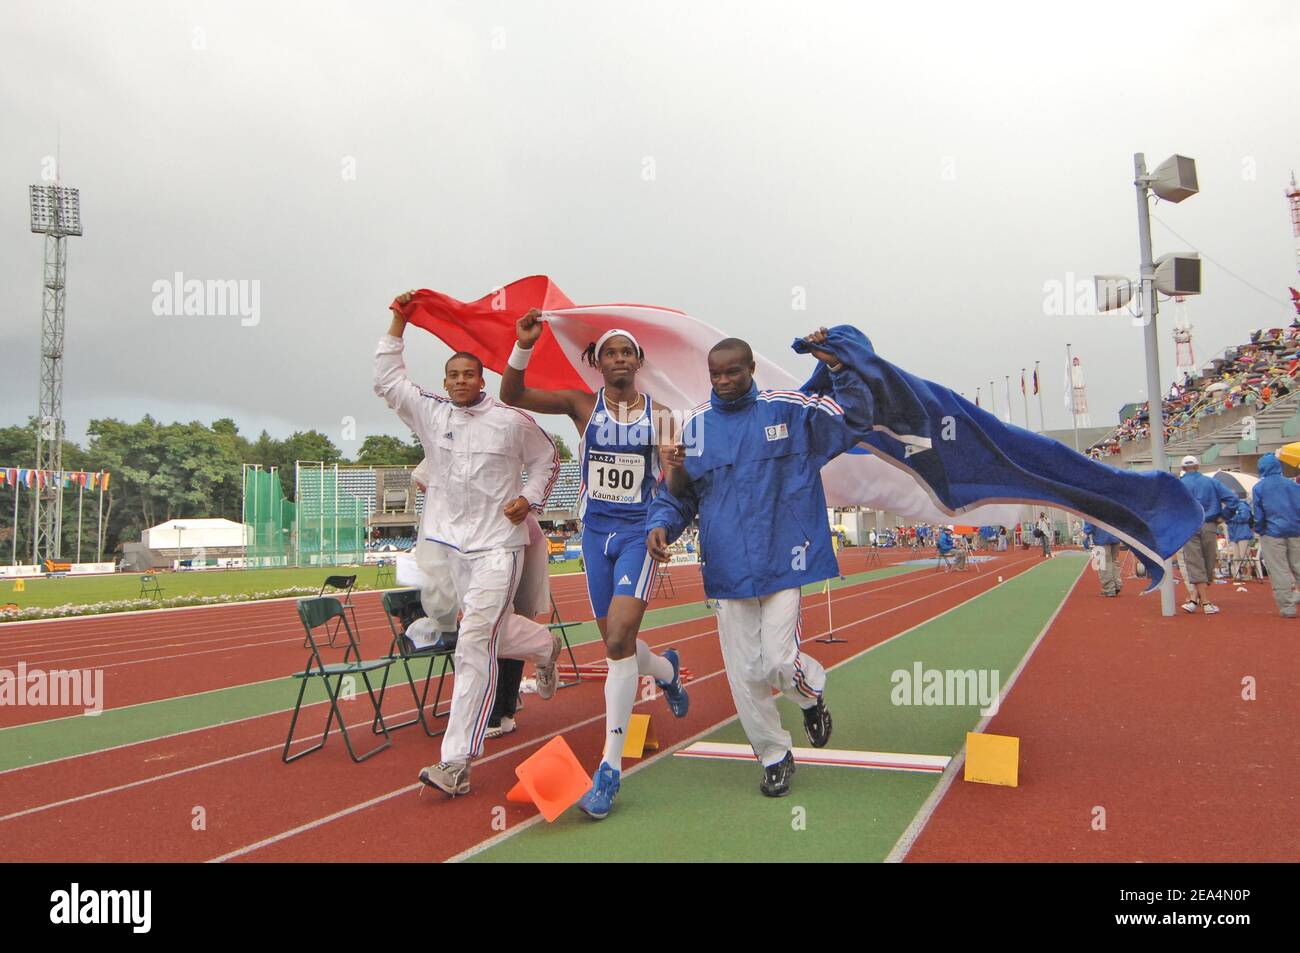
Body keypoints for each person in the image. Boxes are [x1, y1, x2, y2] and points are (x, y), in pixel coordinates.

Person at [647, 329, 870, 797]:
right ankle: (774, 754)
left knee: (780, 660)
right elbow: (680, 495)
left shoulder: (790, 409)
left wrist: (837, 364)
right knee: (746, 672)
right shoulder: (696, 428)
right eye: (715, 374)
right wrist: (662, 522)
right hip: (728, 567)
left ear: (751, 370)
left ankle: (810, 696)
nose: (723, 381)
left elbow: (853, 419)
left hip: (786, 558)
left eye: (733, 371)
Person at [499, 309, 690, 820]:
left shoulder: (664, 415)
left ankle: (608, 769)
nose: (620, 359)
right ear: (599, 362)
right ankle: (666, 669)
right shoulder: (581, 406)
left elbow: (679, 486)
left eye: (628, 351)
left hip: (636, 536)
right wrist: (524, 346)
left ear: (638, 361)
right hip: (595, 537)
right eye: (611, 352)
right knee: (619, 645)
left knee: (614, 643)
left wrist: (670, 500)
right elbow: (511, 397)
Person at [375, 292, 563, 797]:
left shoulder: (512, 420)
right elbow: (387, 381)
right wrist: (399, 321)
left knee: (475, 641)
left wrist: (529, 500)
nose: (461, 381)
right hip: (444, 547)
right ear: (444, 382)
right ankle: (545, 648)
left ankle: (455, 761)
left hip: (499, 547)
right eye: (453, 374)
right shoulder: (430, 413)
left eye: (469, 374)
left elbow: (548, 458)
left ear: (482, 380)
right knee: (475, 633)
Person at [1177, 454, 1239, 615]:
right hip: (1209, 524)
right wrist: (1223, 516)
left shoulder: (1180, 484)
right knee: (1208, 562)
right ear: (1198, 466)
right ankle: (1200, 600)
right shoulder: (1211, 482)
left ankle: (1200, 600)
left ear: (1183, 469)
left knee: (1195, 562)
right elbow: (1233, 499)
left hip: (1189, 525)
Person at [1251, 453, 1300, 618]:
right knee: (1298, 566)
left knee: (1280, 571)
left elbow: (1258, 514)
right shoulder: (1293, 485)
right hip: (1295, 530)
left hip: (1272, 532)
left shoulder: (1259, 487)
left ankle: (1288, 608)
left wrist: (1260, 529)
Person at [1082, 520, 1123, 597]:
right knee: (1113, 562)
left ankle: (1109, 589)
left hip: (1102, 538)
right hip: (1115, 537)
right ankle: (1117, 585)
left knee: (1103, 564)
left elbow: (1089, 524)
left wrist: (1085, 538)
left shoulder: (1091, 509)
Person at [1223, 495, 1255, 582]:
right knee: (1236, 555)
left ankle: (1248, 574)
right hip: (1233, 533)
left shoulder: (1243, 505)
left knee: (1244, 555)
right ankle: (1237, 574)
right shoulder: (1228, 508)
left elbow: (1244, 517)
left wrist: (1232, 519)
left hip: (1243, 533)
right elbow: (1225, 517)